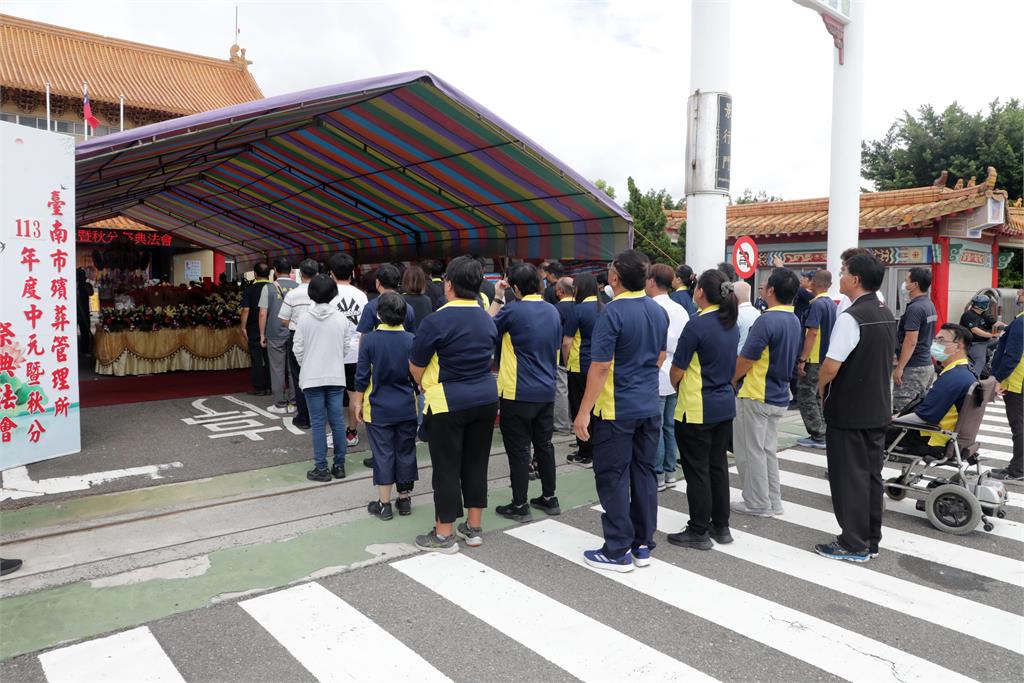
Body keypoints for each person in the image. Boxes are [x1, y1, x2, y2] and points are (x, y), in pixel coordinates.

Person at [572, 249, 668, 572]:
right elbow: (659, 356)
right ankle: (642, 543)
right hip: (648, 403)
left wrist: (584, 410)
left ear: (615, 277)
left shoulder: (611, 313)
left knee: (612, 475)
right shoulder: (658, 311)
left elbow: (599, 368)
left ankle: (616, 549)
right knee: (644, 473)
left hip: (617, 408)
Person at [409, 255, 498, 553]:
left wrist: (423, 383)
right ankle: (473, 528)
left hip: (448, 401)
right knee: (476, 463)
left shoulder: (437, 320)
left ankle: (443, 534)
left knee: (447, 468)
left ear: (448, 285)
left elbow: (416, 365)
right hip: (486, 398)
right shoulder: (487, 318)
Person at [816, 252, 897, 562]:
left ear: (856, 279)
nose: (840, 274)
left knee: (849, 477)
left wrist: (821, 389)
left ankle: (852, 543)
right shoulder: (884, 310)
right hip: (877, 407)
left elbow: (830, 366)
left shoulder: (851, 316)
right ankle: (870, 539)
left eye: (844, 270)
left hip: (849, 410)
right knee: (871, 476)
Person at [667, 269, 740, 550]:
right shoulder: (729, 322)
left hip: (697, 407)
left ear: (700, 292)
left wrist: (677, 385)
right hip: (723, 403)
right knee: (717, 466)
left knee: (697, 470)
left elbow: (677, 371)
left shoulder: (697, 325)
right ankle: (721, 526)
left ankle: (698, 528)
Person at [489, 263, 563, 522]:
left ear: (516, 288)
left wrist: (498, 296)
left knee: (519, 450)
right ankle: (549, 497)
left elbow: (486, 329)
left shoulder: (512, 310)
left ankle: (520, 504)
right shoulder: (553, 311)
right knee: (544, 444)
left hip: (517, 392)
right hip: (546, 389)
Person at [732, 268, 802, 517]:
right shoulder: (794, 319)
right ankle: (773, 501)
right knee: (767, 451)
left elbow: (746, 359)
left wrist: (732, 380)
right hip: (779, 393)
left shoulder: (766, 320)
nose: (762, 289)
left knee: (750, 453)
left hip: (755, 393)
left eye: (764, 286)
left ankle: (757, 502)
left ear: (771, 291)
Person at [354, 292, 419, 520]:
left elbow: (362, 375)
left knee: (383, 454)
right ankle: (404, 499)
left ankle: (384, 505)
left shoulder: (370, 340)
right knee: (406, 451)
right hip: (406, 407)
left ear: (379, 314)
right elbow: (417, 376)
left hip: (378, 407)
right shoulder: (412, 339)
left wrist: (357, 402)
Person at [885, 324, 976, 458]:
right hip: (949, 437)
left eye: (941, 341)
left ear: (958, 346)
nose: (935, 344)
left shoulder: (952, 378)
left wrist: (893, 422)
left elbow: (923, 417)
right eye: (935, 340)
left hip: (932, 439)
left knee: (871, 433)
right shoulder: (966, 371)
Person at [293, 274, 349, 482]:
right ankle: (339, 465)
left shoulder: (304, 318)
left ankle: (321, 468)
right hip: (335, 376)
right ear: (333, 293)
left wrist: (306, 364)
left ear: (311, 294)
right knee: (337, 422)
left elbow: (297, 347)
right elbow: (345, 347)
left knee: (318, 423)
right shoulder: (341, 318)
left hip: (311, 377)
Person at [646, 263, 690, 491]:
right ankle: (671, 470)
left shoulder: (650, 307)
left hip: (656, 369)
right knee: (669, 426)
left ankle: (658, 473)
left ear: (652, 281)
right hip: (676, 371)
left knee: (656, 426)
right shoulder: (680, 309)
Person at [563, 274, 603, 467]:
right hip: (600, 365)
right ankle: (597, 448)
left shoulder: (577, 310)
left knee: (580, 407)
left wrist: (566, 362)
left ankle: (585, 452)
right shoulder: (605, 307)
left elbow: (567, 342)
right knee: (596, 408)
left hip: (579, 365)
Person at [329, 253, 368, 447]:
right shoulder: (361, 295)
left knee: (334, 395)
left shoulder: (328, 295)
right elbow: (367, 327)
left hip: (333, 352)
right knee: (354, 395)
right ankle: (351, 433)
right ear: (352, 272)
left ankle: (336, 434)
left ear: (331, 273)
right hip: (357, 353)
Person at [795, 270, 837, 449]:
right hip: (826, 357)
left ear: (813, 283)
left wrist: (802, 358)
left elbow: (812, 332)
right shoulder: (832, 305)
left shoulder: (816, 305)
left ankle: (817, 434)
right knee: (819, 395)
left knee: (805, 396)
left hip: (813, 358)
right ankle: (823, 430)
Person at [279, 259, 319, 429]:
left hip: (296, 336)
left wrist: (298, 326)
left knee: (299, 377)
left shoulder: (292, 294)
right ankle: (318, 416)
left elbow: (283, 320)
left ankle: (304, 417)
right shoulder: (322, 293)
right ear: (317, 274)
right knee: (317, 376)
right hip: (318, 336)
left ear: (300, 274)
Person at [892, 268, 938, 411]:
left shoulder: (915, 308)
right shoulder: (929, 305)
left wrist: (900, 367)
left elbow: (911, 341)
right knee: (916, 410)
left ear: (915, 284)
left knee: (902, 412)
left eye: (907, 280)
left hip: (913, 368)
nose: (905, 283)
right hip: (926, 365)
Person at [989, 288, 1023, 481]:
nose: (1018, 293)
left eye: (1022, 291)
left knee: (1018, 426)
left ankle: (1017, 470)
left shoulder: (1021, 322)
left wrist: (997, 379)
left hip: (1017, 382)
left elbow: (1012, 356)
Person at [260, 257, 299, 414]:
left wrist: (262, 334)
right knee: (293, 369)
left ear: (274, 271)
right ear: (290, 270)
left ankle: (280, 404)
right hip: (294, 332)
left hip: (274, 333)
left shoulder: (268, 288)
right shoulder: (298, 287)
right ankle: (294, 403)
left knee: (277, 369)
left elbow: (263, 313)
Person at [356, 264, 416, 334]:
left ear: (377, 283)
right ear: (397, 283)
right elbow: (412, 335)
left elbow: (364, 335)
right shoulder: (408, 307)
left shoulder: (370, 307)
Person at [241, 263, 272, 396]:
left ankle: (259, 387)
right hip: (271, 326)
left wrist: (243, 327)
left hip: (254, 326)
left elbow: (246, 309)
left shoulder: (250, 289)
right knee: (270, 358)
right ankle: (270, 386)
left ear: (255, 274)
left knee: (257, 358)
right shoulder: (274, 288)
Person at [552, 276, 576, 435]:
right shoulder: (580, 306)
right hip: (580, 355)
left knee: (561, 389)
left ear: (560, 291)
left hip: (561, 353)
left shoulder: (554, 309)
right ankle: (575, 423)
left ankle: (561, 425)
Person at [960, 295, 1002, 377]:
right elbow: (975, 330)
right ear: (984, 305)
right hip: (974, 343)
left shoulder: (983, 313)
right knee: (980, 360)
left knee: (1001, 343)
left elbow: (996, 323)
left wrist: (1010, 327)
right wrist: (991, 335)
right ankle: (973, 380)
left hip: (985, 341)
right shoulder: (969, 315)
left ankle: (989, 366)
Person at [401, 265, 434, 332]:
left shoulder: (400, 300)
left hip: (407, 338)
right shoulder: (427, 300)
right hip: (423, 337)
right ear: (422, 281)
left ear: (405, 281)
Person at [734, 281, 761, 353]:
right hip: (754, 358)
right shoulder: (758, 313)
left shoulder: (735, 314)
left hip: (737, 358)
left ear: (734, 296)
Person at [76, 268, 94, 355]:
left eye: (82, 276)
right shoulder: (72, 285)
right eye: (79, 276)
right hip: (74, 313)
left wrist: (83, 283)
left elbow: (91, 293)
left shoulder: (87, 285)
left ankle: (85, 350)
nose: (80, 277)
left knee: (85, 331)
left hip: (84, 311)